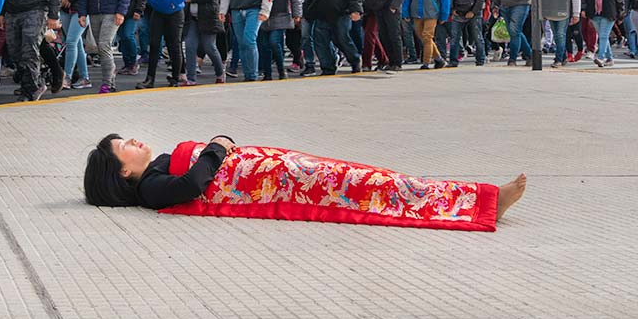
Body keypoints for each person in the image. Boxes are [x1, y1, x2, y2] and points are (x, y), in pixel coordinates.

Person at [84, 132, 527, 230]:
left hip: (276, 169)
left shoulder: (157, 170)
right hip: (284, 182)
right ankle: (481, 201)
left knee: (375, 181)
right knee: (371, 191)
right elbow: (195, 184)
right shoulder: (150, 188)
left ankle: (476, 198)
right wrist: (218, 147)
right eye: (124, 145)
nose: (134, 141)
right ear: (122, 170)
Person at [260, 0, 301, 80]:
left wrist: (297, 13)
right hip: (261, 12)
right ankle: (267, 73)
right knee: (264, 45)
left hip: (280, 11)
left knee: (274, 42)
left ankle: (281, 69)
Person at [581, 0, 623, 68]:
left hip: (609, 14)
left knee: (603, 36)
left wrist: (620, 14)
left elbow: (619, 1)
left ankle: (600, 57)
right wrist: (583, 9)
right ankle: (610, 59)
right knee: (603, 36)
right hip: (594, 14)